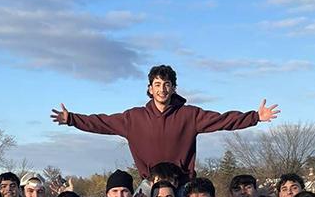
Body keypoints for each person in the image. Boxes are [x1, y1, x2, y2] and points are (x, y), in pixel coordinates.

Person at [51, 64, 279, 185]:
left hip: (182, 185)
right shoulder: (133, 118)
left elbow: (223, 120)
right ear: (150, 88)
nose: (162, 89)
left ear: (173, 88)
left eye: (167, 84)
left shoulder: (189, 115)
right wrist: (71, 119)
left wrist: (255, 117)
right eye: (157, 84)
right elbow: (101, 122)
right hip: (150, 185)